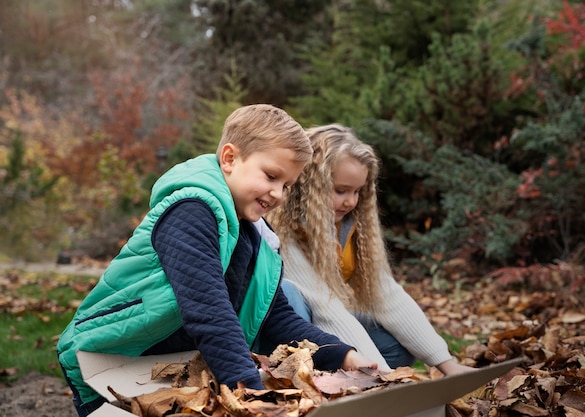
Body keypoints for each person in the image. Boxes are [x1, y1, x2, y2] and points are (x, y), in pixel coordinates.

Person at [57, 106, 377, 417]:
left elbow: (279, 319)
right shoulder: (191, 211)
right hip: (109, 362)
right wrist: (251, 394)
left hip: (176, 371)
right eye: (270, 176)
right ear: (229, 159)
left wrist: (345, 356)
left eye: (287, 185)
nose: (278, 193)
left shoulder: (256, 239)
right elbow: (209, 313)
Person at [266, 123, 473, 375]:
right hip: (281, 332)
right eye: (341, 190)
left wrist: (447, 364)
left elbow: (385, 294)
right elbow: (324, 307)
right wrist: (382, 378)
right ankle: (308, 379)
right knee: (290, 293)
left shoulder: (347, 224)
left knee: (397, 346)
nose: (351, 201)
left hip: (326, 325)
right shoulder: (281, 229)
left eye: (357, 191)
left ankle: (347, 375)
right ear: (308, 185)